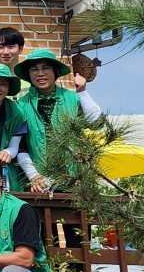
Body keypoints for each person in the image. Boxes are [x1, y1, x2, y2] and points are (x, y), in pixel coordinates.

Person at [13, 49, 101, 192]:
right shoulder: (21, 106)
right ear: (29, 75)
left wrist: (83, 92)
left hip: (77, 181)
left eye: (45, 68)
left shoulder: (73, 98)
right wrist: (34, 176)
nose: (40, 73)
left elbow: (97, 122)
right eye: (34, 69)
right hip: (40, 185)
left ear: (55, 72)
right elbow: (20, 146)